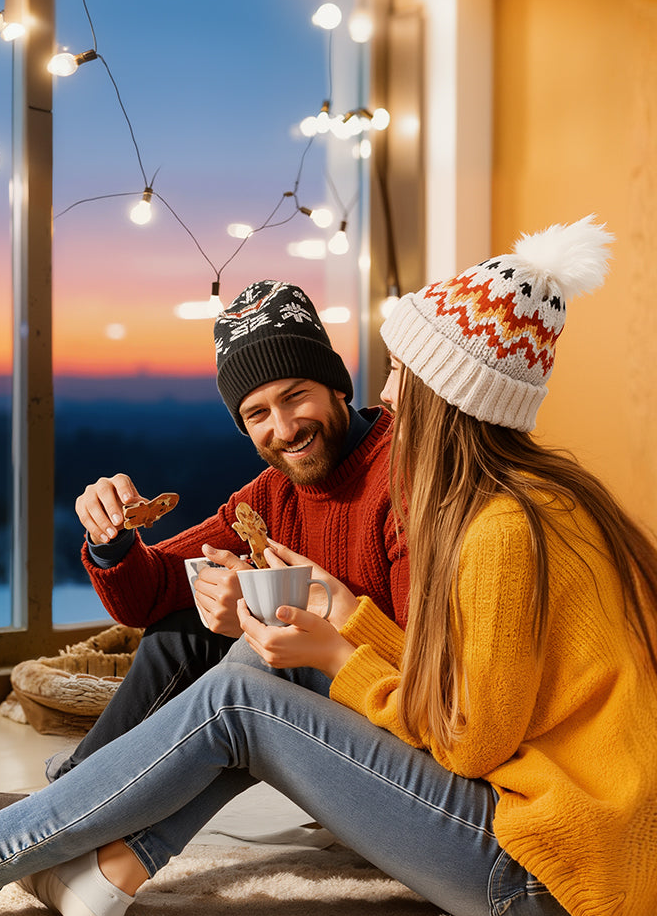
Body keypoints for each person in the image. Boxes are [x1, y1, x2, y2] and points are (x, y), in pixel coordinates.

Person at [0, 217, 657, 916]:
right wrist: (120, 545)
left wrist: (340, 640)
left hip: (549, 868)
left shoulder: (496, 526)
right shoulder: (537, 500)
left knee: (244, 694)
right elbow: (160, 593)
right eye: (256, 412)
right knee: (247, 663)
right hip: (556, 833)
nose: (389, 394)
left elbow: (470, 739)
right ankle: (101, 864)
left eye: (401, 373)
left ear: (441, 396)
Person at [31, 279, 409, 798]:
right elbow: (151, 595)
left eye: (295, 396)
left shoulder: (407, 474)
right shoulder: (270, 496)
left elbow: (423, 664)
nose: (284, 429)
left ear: (337, 386)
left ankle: (68, 806)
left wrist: (261, 617)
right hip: (324, 715)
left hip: (396, 728)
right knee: (185, 626)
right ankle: (74, 793)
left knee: (245, 663)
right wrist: (110, 537)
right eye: (257, 414)